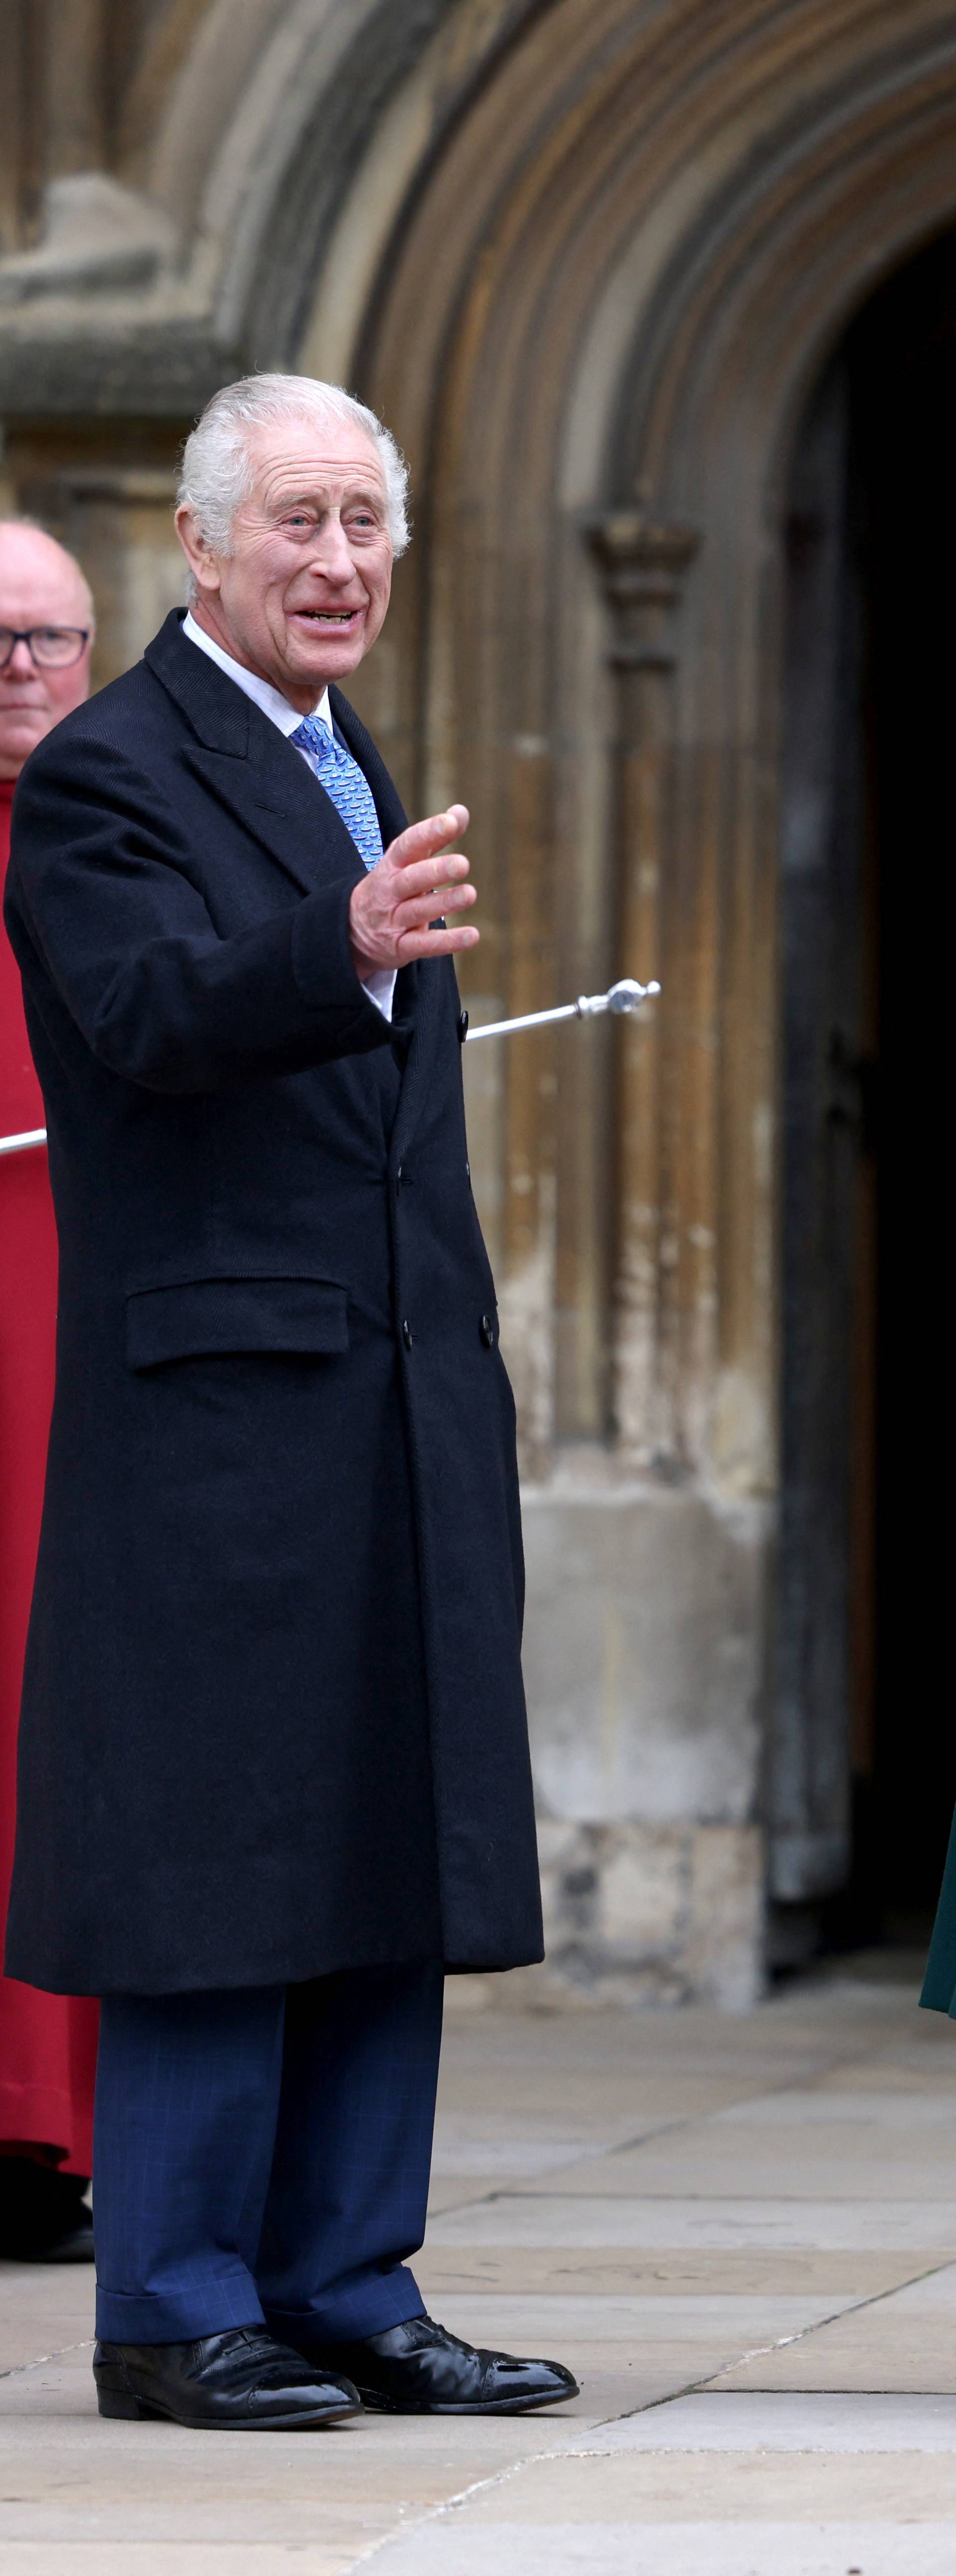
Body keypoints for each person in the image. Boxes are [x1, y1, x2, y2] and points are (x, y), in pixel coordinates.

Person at [3, 374, 576, 2432]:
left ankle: (351, 2279)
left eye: (368, 525)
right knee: (221, 1857)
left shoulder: (351, 755)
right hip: (216, 1421)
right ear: (204, 546)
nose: (340, 563)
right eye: (301, 525)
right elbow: (147, 1014)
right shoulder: (111, 772)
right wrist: (333, 941)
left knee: (380, 1848)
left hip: (395, 1399)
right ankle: (172, 2300)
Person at [0, 521, 100, 2264]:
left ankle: (50, 2131)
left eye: (46, 638)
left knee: (58, 1688)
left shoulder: (124, 830)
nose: (20, 668)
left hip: (82, 1308)